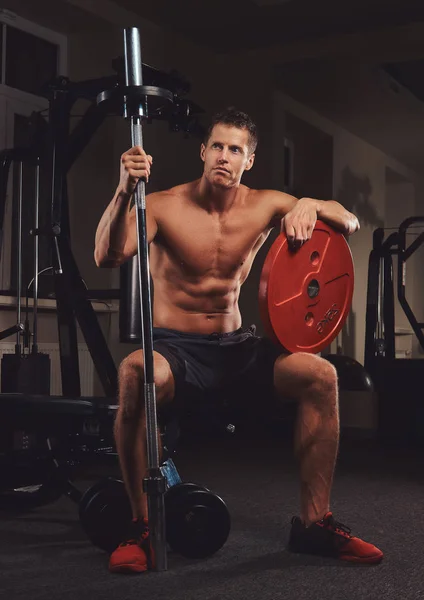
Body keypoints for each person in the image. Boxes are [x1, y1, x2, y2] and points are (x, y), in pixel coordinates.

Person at [94, 107, 383, 574]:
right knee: (135, 373)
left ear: (249, 160)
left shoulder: (265, 204)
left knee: (319, 375)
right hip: (178, 349)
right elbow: (107, 255)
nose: (224, 157)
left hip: (238, 348)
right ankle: (141, 526)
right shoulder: (164, 205)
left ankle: (314, 524)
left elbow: (347, 222)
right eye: (218, 147)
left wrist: (310, 203)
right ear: (203, 151)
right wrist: (125, 189)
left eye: (236, 150)